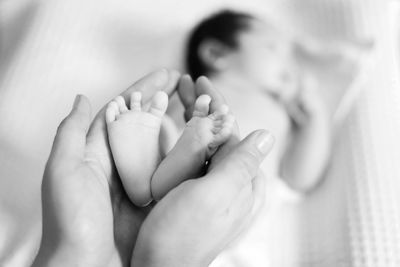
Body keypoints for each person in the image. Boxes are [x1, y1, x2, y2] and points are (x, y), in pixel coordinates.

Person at [32, 69, 275, 267]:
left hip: (205, 203)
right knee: (238, 204)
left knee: (239, 201)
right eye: (270, 46)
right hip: (209, 221)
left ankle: (173, 149)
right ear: (214, 51)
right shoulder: (231, 85)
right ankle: (171, 149)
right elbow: (300, 179)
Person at [182, 10, 332, 266]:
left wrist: (316, 117)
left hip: (238, 238)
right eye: (272, 48)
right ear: (217, 55)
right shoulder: (191, 94)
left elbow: (299, 178)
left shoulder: (281, 113)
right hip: (176, 201)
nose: (288, 65)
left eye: (290, 57)